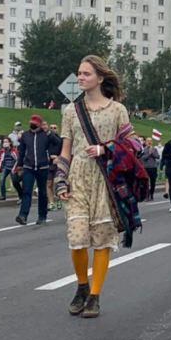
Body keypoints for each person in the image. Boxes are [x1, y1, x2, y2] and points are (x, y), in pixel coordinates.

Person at [55, 55, 131, 319]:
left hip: (105, 180)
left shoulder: (117, 110)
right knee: (77, 239)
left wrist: (105, 148)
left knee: (101, 240)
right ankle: (82, 285)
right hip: (78, 177)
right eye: (79, 73)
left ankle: (95, 296)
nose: (80, 78)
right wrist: (60, 179)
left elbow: (133, 146)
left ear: (99, 78)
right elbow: (65, 150)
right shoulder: (70, 111)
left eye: (86, 74)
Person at [14, 115, 57, 225]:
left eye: (35, 123)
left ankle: (42, 216)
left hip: (43, 167)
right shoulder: (25, 135)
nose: (32, 125)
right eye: (31, 122)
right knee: (26, 191)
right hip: (29, 167)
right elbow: (22, 151)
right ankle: (23, 215)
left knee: (42, 192)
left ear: (39, 125)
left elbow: (57, 143)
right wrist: (19, 166)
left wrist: (49, 133)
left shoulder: (45, 135)